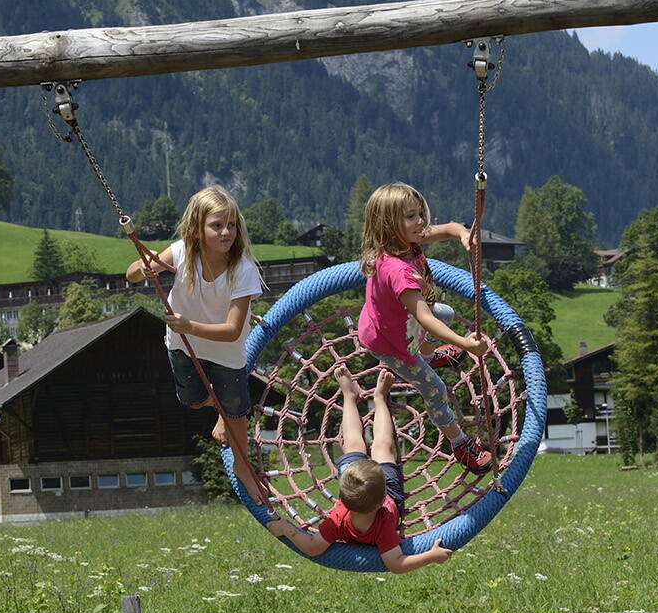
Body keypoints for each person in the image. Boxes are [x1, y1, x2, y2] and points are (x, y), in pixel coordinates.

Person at [127, 185, 266, 503]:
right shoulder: (179, 253)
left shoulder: (242, 270)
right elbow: (131, 274)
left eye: (231, 225)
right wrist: (143, 268)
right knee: (191, 400)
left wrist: (190, 325)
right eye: (217, 225)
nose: (226, 232)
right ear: (197, 229)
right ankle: (218, 408)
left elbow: (232, 330)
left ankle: (245, 470)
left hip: (226, 352)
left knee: (237, 412)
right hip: (181, 345)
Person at [357, 181, 495, 473]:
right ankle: (459, 443)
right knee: (434, 386)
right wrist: (465, 343)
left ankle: (430, 356)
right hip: (389, 343)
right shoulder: (398, 270)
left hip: (400, 327)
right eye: (410, 217)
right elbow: (424, 318)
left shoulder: (407, 240)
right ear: (388, 225)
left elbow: (448, 228)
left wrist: (463, 235)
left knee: (446, 312)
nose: (420, 221)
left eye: (419, 213)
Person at [266, 367, 454, 573]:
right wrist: (431, 557)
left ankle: (350, 396)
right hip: (386, 488)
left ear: (341, 497)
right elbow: (396, 564)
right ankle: (379, 397)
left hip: (361, 481)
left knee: (359, 443)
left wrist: (286, 528)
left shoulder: (337, 518)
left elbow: (312, 547)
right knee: (380, 445)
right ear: (382, 502)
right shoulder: (383, 525)